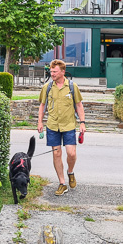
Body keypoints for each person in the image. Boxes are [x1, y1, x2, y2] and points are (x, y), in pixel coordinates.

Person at [37, 59, 85, 196]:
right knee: (57, 154)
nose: (52, 73)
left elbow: (79, 105)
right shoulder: (47, 87)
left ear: (62, 72)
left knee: (71, 153)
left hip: (69, 125)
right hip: (52, 125)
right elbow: (42, 106)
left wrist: (82, 123)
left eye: (55, 71)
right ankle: (62, 183)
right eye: (51, 71)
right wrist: (40, 122)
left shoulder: (72, 86)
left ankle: (70, 171)